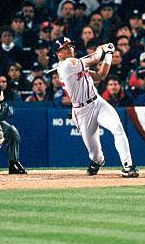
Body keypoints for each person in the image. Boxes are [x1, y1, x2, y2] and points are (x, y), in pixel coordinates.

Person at [55, 37, 138, 178]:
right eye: (65, 47)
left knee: (117, 128)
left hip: (97, 102)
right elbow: (94, 59)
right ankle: (97, 161)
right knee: (96, 155)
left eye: (71, 46)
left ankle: (128, 165)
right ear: (58, 53)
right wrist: (102, 49)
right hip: (82, 111)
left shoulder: (76, 63)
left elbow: (101, 75)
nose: (70, 48)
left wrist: (109, 54)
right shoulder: (66, 65)